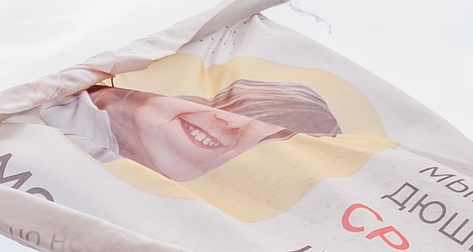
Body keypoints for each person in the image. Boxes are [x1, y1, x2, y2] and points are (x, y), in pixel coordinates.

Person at [38, 77, 342, 183]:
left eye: (248, 144)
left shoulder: (108, 191)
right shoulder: (57, 107)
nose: (227, 124)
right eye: (238, 112)